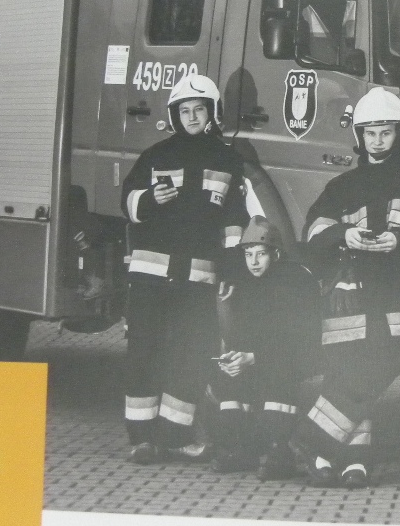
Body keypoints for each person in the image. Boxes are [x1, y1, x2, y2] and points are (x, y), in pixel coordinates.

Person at [291, 88, 400, 488]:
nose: (378, 141)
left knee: (381, 365)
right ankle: (349, 463)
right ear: (359, 136)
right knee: (348, 374)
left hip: (398, 294)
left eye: (385, 132)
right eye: (370, 133)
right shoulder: (342, 185)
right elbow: (313, 234)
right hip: (351, 294)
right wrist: (344, 235)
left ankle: (310, 440)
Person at [120, 75, 248, 464]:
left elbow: (235, 219)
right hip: (151, 275)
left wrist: (231, 269)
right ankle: (142, 439)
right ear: (175, 115)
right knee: (145, 350)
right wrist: (148, 199)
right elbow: (126, 201)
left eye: (199, 110)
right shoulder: (155, 155)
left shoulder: (228, 160)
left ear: (212, 113)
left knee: (191, 352)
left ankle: (173, 436)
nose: (192, 117)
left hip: (198, 275)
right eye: (185, 111)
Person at [210, 216, 321, 480]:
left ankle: (279, 453)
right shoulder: (245, 283)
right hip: (259, 357)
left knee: (278, 374)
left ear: (276, 254)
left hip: (298, 357)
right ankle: (241, 449)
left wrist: (252, 357)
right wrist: (234, 356)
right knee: (228, 377)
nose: (254, 262)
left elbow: (295, 339)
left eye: (261, 254)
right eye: (248, 255)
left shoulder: (294, 281)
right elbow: (242, 332)